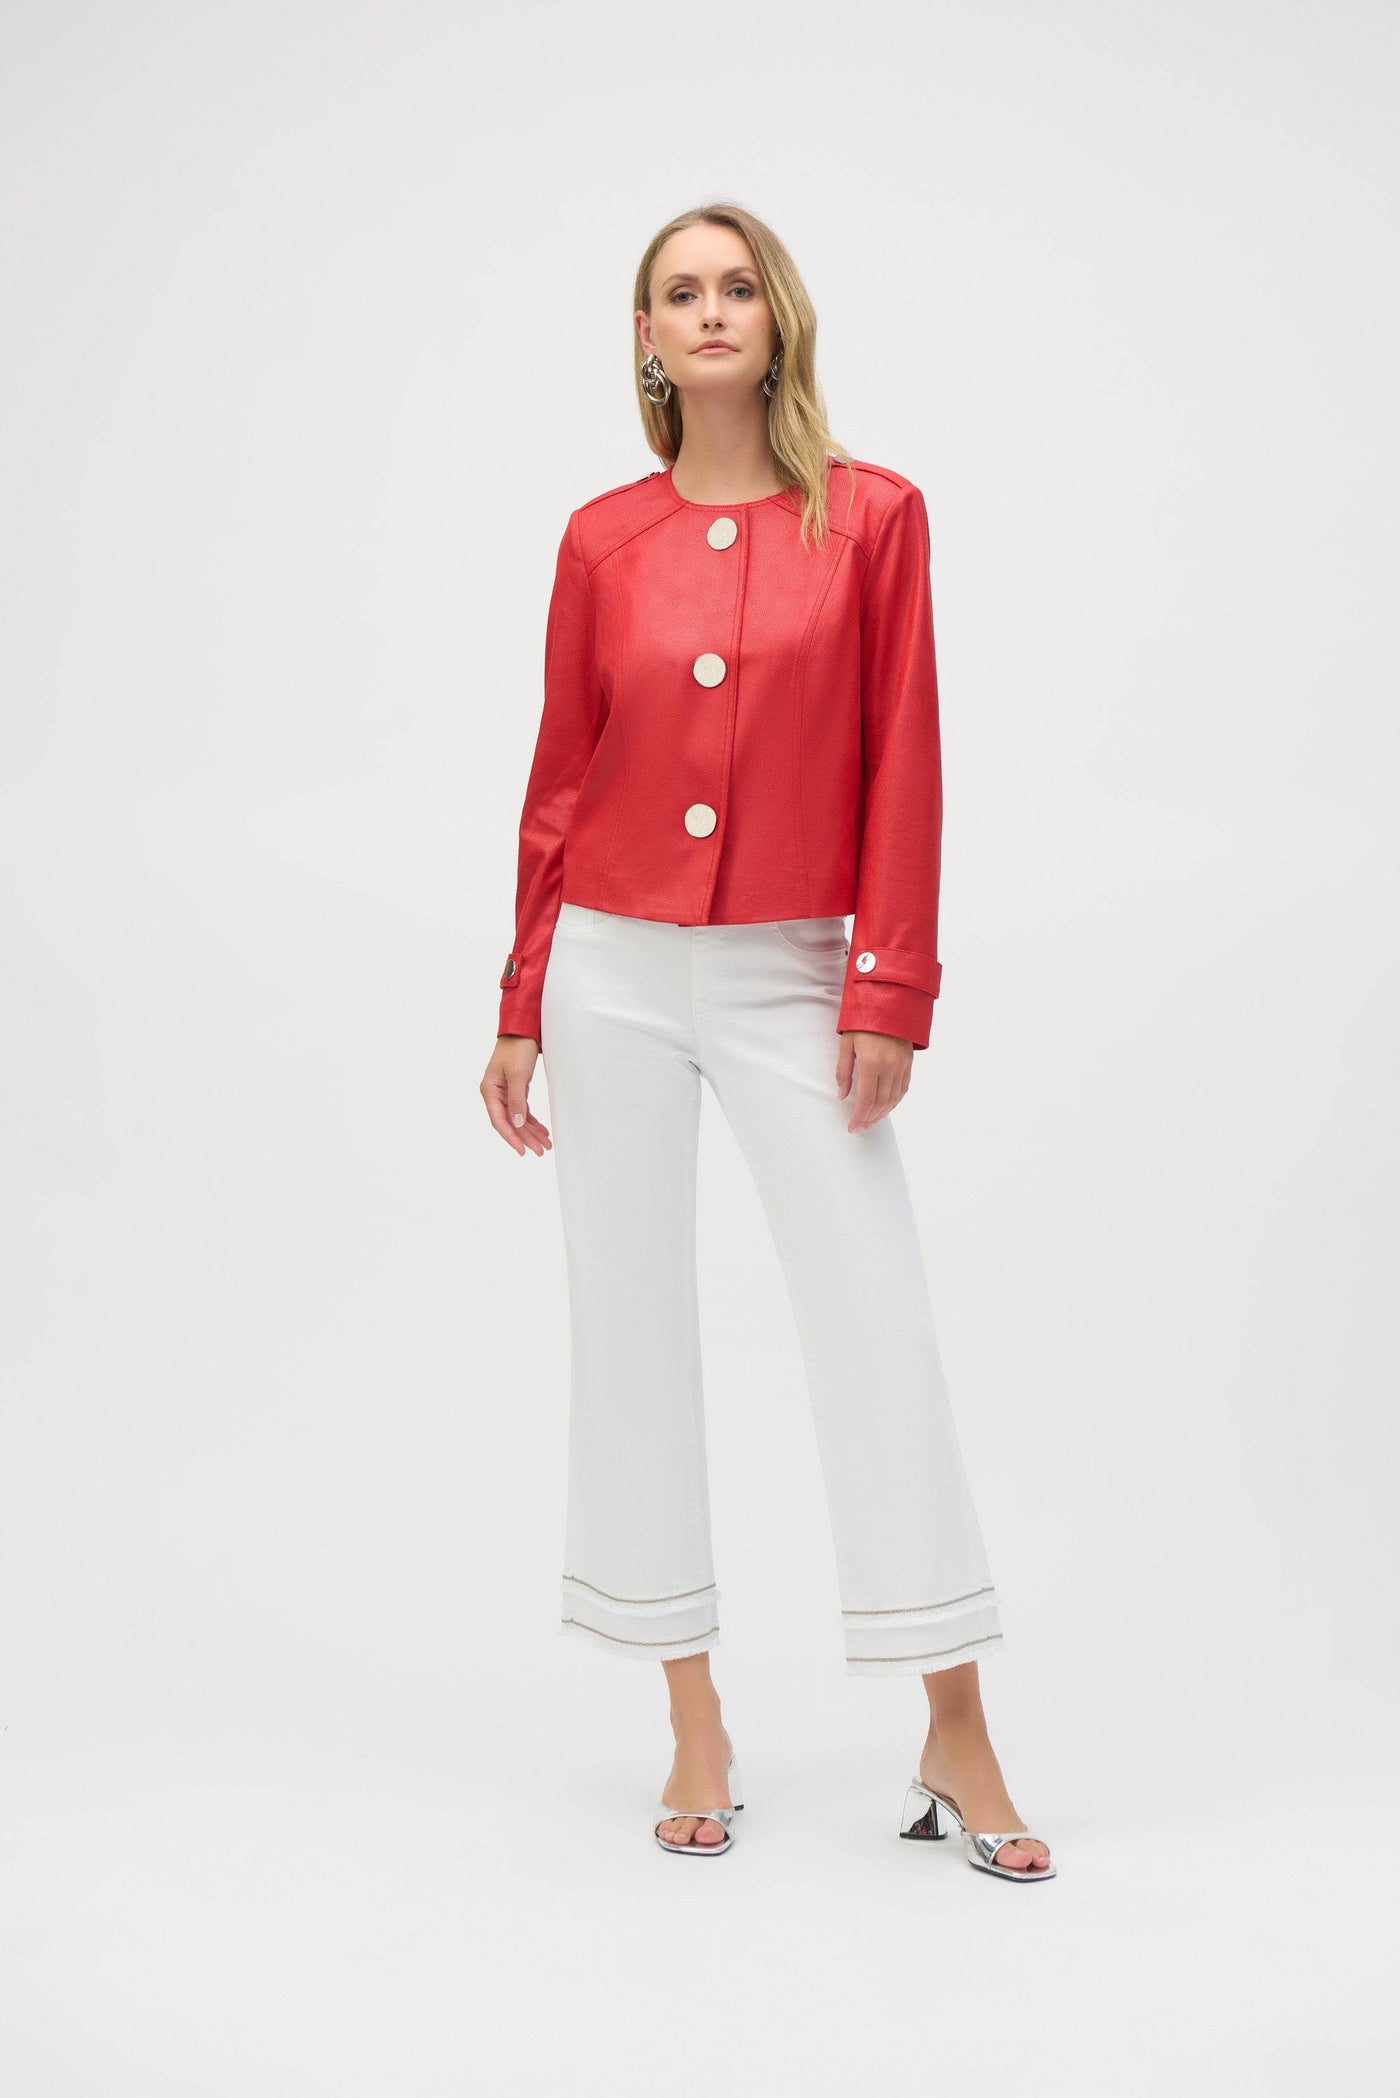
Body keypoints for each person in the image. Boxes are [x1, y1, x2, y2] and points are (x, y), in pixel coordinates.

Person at [480, 203, 1055, 1881]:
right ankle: (693, 1714)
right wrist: (521, 999)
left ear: (778, 318)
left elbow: (905, 757)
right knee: (630, 1324)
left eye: (738, 286)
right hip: (608, 969)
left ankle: (956, 1720)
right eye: (681, 292)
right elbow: (560, 779)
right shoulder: (602, 542)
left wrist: (886, 986)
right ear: (647, 338)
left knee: (876, 1314)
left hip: (797, 964)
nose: (712, 310)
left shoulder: (874, 519)